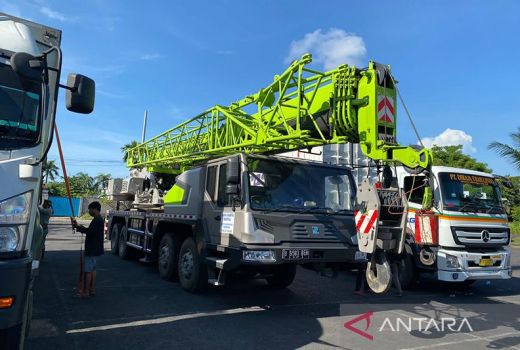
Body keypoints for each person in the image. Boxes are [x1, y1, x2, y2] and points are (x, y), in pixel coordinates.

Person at [72, 201, 104, 298]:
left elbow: (90, 232)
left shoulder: (97, 220)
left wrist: (78, 227)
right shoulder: (98, 219)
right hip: (95, 248)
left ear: (95, 209)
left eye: (90, 209)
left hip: (92, 249)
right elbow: (91, 231)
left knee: (88, 271)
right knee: (93, 270)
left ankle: (86, 291)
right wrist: (79, 227)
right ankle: (92, 289)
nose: (89, 211)